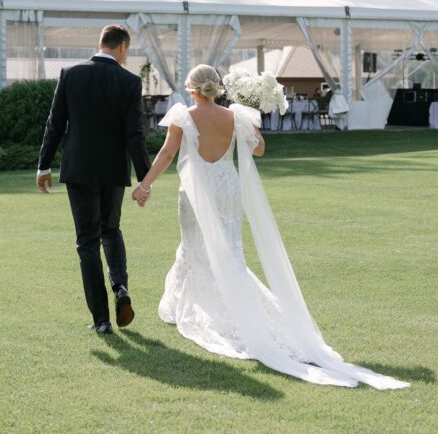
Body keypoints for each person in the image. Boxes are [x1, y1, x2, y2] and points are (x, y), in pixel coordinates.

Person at [132, 64, 409, 389]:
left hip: (197, 190)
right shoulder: (235, 115)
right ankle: (212, 307)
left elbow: (166, 154)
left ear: (192, 89)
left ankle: (197, 309)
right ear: (217, 88)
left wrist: (145, 185)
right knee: (231, 254)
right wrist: (251, 123)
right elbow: (259, 149)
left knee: (195, 249)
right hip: (227, 188)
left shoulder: (183, 116)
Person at [37, 25, 152, 335]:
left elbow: (55, 123)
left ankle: (101, 319)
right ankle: (121, 286)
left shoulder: (70, 74)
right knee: (110, 229)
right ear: (123, 47)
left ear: (100, 44)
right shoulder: (129, 82)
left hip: (79, 169)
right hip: (114, 169)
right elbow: (135, 134)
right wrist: (145, 178)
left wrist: (43, 165)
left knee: (87, 242)